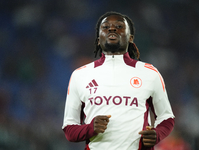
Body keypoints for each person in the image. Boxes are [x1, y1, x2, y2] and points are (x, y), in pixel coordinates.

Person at [62, 11, 175, 150]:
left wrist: (157, 134)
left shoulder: (149, 73)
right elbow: (69, 129)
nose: (112, 28)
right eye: (105, 27)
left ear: (131, 38)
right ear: (98, 39)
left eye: (119, 26)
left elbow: (166, 118)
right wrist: (90, 128)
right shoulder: (80, 75)